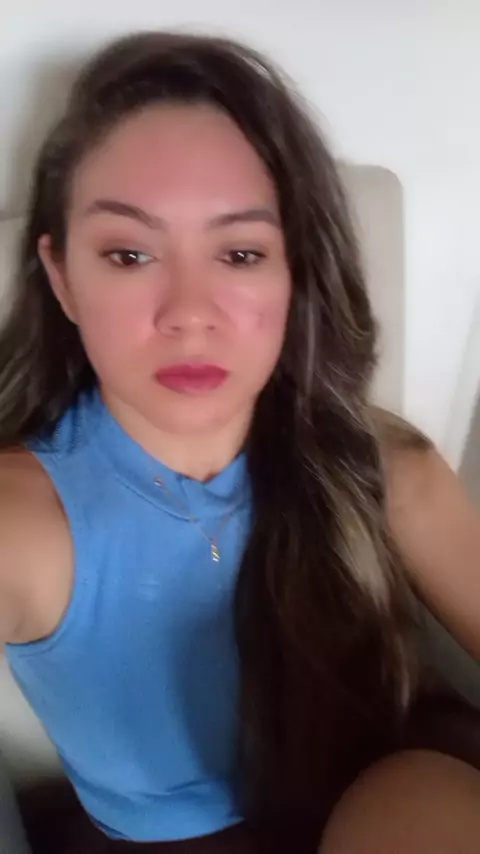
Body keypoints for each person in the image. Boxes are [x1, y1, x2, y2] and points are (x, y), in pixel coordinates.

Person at [0, 31, 479, 854]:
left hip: (405, 791)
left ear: (296, 274)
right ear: (64, 279)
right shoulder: (25, 520)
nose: (190, 312)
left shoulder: (383, 468)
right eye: (129, 254)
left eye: (241, 252)